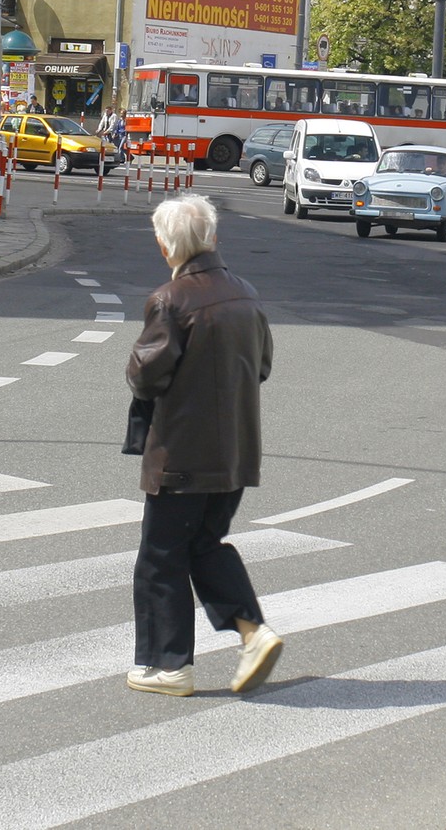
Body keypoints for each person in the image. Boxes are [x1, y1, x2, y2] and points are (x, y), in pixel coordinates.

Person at [124, 193, 280, 698]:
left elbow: (145, 375)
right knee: (204, 544)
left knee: (161, 557)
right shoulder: (246, 293)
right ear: (212, 238)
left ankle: (168, 667)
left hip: (182, 454)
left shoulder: (170, 300)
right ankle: (253, 632)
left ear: (164, 245)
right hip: (235, 450)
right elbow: (262, 366)